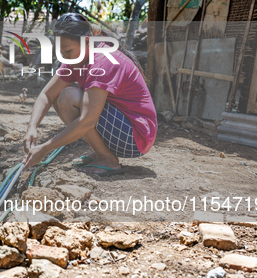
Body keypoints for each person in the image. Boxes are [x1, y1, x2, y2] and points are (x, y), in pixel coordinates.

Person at [22, 13, 157, 176]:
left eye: (68, 51)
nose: (65, 58)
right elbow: (47, 95)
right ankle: (103, 152)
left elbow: (88, 120)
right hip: (122, 127)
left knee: (68, 97)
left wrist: (44, 148)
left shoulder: (103, 60)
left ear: (87, 41)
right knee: (60, 97)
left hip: (136, 137)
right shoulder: (75, 58)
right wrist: (32, 127)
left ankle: (107, 159)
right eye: (61, 53)